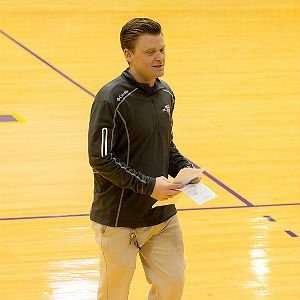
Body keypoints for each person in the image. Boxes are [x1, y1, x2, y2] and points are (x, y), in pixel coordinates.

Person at [88, 17, 200, 300]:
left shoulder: (166, 93)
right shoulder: (110, 98)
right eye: (150, 52)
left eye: (162, 49)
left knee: (172, 286)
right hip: (118, 220)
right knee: (114, 294)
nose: (160, 57)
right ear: (128, 54)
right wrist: (149, 186)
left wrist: (184, 167)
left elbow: (165, 144)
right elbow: (100, 159)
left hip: (161, 218)